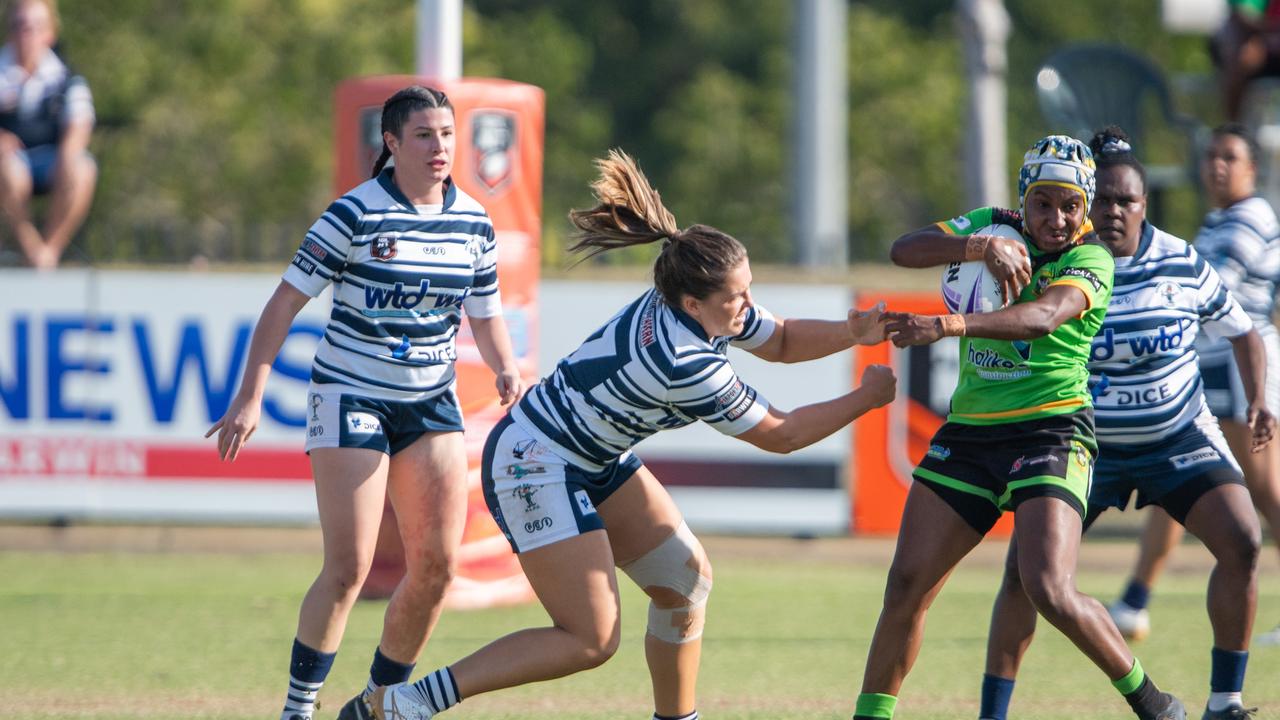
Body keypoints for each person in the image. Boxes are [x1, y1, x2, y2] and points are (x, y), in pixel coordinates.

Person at [350, 149, 897, 720]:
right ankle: (404, 703)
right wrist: (866, 398)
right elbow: (781, 435)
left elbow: (780, 340)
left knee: (684, 584)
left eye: (748, 288)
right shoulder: (684, 359)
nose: (748, 304)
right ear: (694, 303)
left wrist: (852, 333)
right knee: (591, 638)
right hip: (534, 461)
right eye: (738, 295)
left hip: (590, 457)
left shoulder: (694, 304)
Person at [206, 85, 525, 720]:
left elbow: (485, 317)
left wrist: (507, 369)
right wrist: (250, 395)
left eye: (447, 135)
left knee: (436, 566)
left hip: (431, 403)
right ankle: (299, 708)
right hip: (351, 396)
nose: (440, 148)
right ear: (392, 143)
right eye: (425, 136)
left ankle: (378, 702)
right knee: (350, 567)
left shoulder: (472, 222)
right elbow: (284, 304)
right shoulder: (353, 215)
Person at [852, 135, 1186, 720]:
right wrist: (980, 245)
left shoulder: (1092, 258)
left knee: (1049, 589)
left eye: (1070, 206)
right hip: (971, 435)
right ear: (1022, 200)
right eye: (1042, 204)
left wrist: (948, 326)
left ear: (1085, 208)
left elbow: (1042, 317)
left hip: (1051, 432)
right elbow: (905, 248)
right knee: (906, 585)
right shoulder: (992, 225)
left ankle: (1155, 705)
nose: (1056, 219)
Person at [978, 127, 1273, 720]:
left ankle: (1226, 702)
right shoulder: (1055, 262)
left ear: (1144, 204)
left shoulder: (1183, 261)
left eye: (1127, 201)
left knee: (1243, 540)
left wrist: (1259, 399)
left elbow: (1241, 329)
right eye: (1103, 200)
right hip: (1085, 444)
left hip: (1179, 439)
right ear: (1085, 204)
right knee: (1025, 576)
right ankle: (993, 713)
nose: (1114, 211)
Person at [1106, 123, 1280, 649]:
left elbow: (1211, 291)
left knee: (1265, 488)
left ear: (1252, 167)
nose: (1217, 165)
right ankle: (1135, 599)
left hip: (1238, 365)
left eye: (1230, 156)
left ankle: (1135, 599)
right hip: (1205, 364)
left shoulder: (1250, 216)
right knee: (1178, 480)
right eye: (1210, 156)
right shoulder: (1218, 220)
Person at [0, 0, 95, 270]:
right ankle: (29, 247)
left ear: (49, 33)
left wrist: (69, 152)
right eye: (19, 25)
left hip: (51, 162)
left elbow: (80, 124)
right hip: (9, 164)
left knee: (82, 166)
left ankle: (49, 253)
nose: (26, 33)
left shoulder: (66, 77)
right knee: (6, 167)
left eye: (35, 26)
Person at [1211, 0, 1280, 121]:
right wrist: (1268, 29)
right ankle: (1233, 128)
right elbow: (1243, 15)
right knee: (1243, 59)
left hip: (1269, 40)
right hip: (1251, 40)